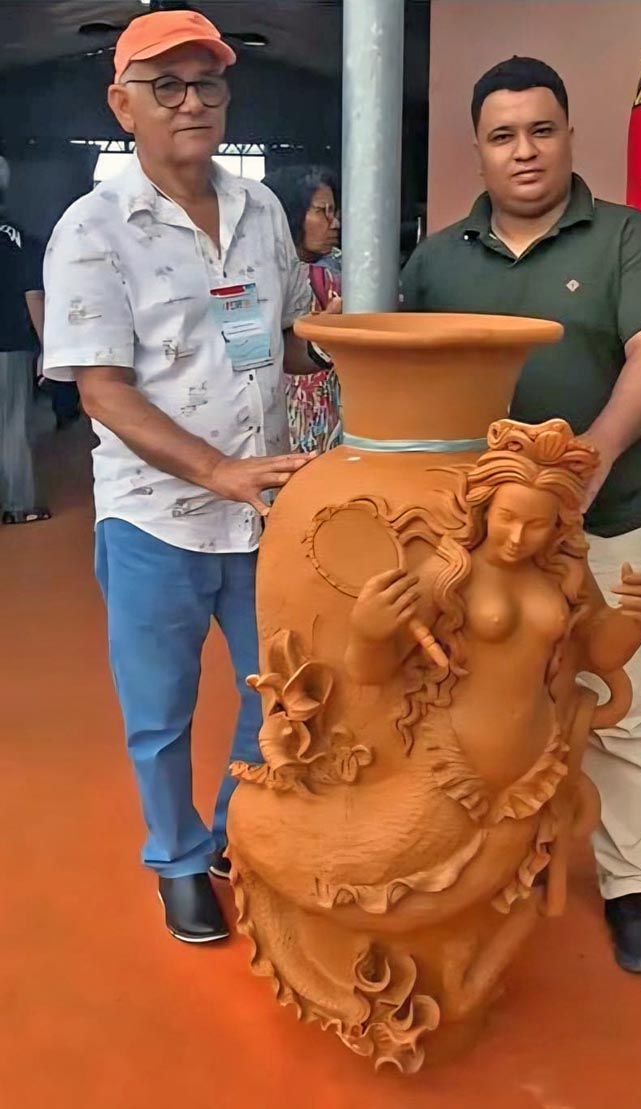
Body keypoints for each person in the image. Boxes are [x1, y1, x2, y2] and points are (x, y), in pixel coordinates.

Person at [400, 56, 641, 975]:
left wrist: (591, 457)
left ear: (568, 134)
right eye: (502, 135)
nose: (523, 151)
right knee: (485, 702)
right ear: (478, 150)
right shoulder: (437, 262)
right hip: (482, 543)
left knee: (612, 705)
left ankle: (628, 884)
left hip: (605, 522)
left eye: (540, 130)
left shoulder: (630, 240)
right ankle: (494, 858)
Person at [42, 9, 320, 944]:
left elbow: (285, 338)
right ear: (122, 105)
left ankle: (237, 831)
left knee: (277, 686)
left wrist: (348, 345)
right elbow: (102, 390)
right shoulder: (93, 228)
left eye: (207, 83)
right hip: (154, 518)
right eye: (166, 85)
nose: (192, 102)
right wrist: (217, 469)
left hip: (262, 508)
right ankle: (178, 859)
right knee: (159, 711)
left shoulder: (261, 209)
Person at [262, 164, 343, 454]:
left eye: (334, 212)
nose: (335, 223)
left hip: (334, 418)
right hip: (278, 418)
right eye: (322, 211)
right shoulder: (260, 277)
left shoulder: (349, 271)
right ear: (289, 214)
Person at [0, 156, 50, 525]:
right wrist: (49, 347)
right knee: (11, 426)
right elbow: (34, 296)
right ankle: (19, 505)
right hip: (9, 346)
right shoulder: (19, 240)